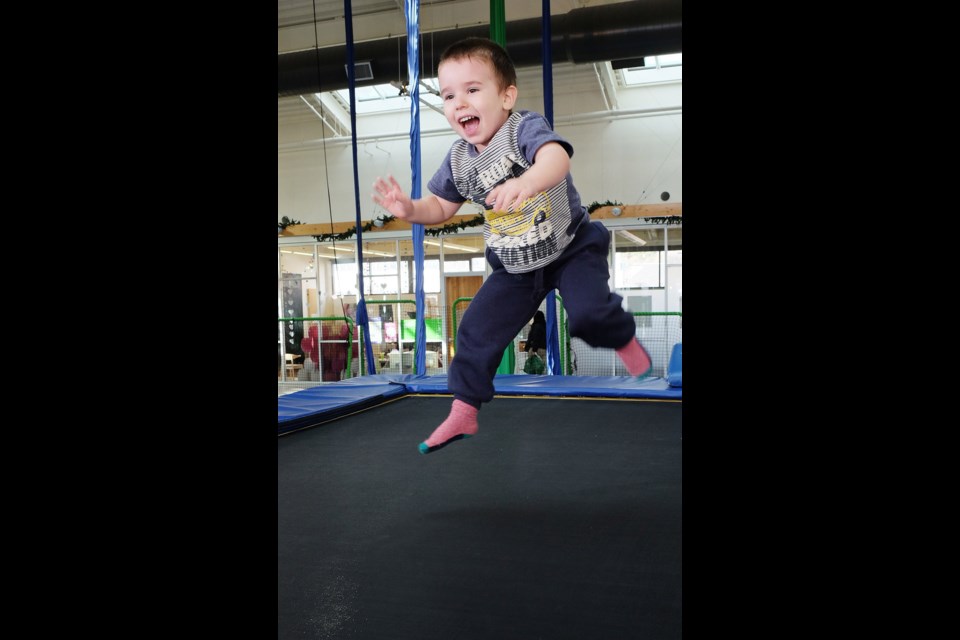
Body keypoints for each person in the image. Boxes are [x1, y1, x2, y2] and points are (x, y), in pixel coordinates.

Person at [372, 37, 651, 454]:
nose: (459, 102)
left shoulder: (522, 128)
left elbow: (557, 159)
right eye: (448, 95)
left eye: (472, 89)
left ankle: (625, 341)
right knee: (474, 331)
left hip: (570, 246)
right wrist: (409, 207)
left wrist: (526, 182)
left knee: (590, 314)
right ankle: (464, 411)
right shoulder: (458, 159)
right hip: (515, 266)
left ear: (506, 96)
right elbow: (441, 207)